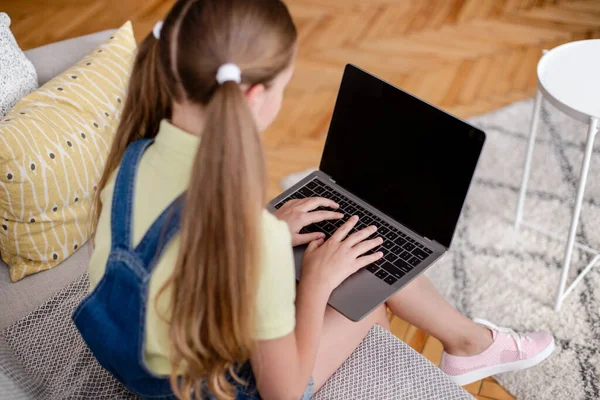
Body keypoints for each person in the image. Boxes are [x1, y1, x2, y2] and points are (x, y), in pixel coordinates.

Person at [73, 0, 555, 399]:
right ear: (254, 96)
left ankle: (468, 340)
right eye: (286, 86)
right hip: (200, 387)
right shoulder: (253, 239)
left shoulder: (133, 160)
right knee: (367, 293)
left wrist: (272, 233)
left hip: (133, 352)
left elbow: (179, 249)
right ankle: (469, 343)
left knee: (346, 245)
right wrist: (315, 286)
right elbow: (282, 393)